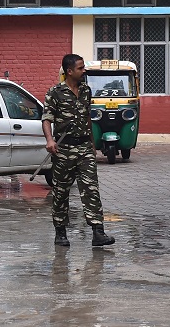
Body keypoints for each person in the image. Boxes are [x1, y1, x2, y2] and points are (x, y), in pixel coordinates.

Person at [41, 53, 116, 247]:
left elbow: (88, 119)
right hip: (63, 149)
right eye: (81, 68)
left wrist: (92, 144)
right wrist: (50, 140)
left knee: (91, 189)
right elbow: (46, 118)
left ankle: (98, 232)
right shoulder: (55, 93)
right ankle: (60, 232)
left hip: (84, 149)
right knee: (61, 192)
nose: (84, 71)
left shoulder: (86, 90)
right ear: (69, 71)